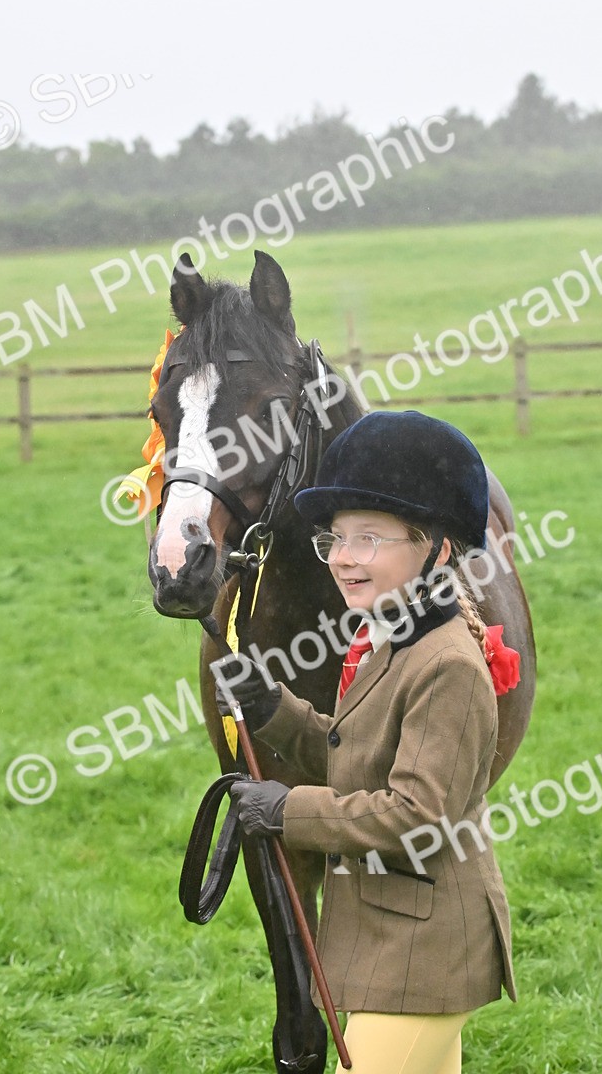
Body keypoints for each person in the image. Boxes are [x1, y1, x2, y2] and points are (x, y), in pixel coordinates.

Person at [216, 410, 517, 1074]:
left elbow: (417, 816)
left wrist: (286, 811)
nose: (346, 558)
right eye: (337, 539)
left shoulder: (447, 667)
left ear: (438, 549)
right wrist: (275, 710)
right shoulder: (387, 637)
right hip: (393, 940)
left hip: (426, 950)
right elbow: (361, 754)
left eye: (371, 539)